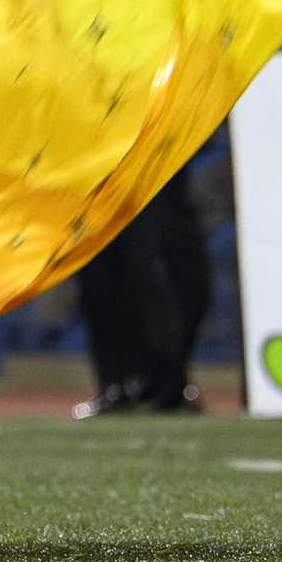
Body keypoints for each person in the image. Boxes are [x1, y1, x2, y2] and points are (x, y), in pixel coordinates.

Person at [71, 146, 215, 418]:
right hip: (102, 167)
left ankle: (167, 379)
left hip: (158, 160)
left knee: (178, 274)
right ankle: (120, 385)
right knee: (106, 274)